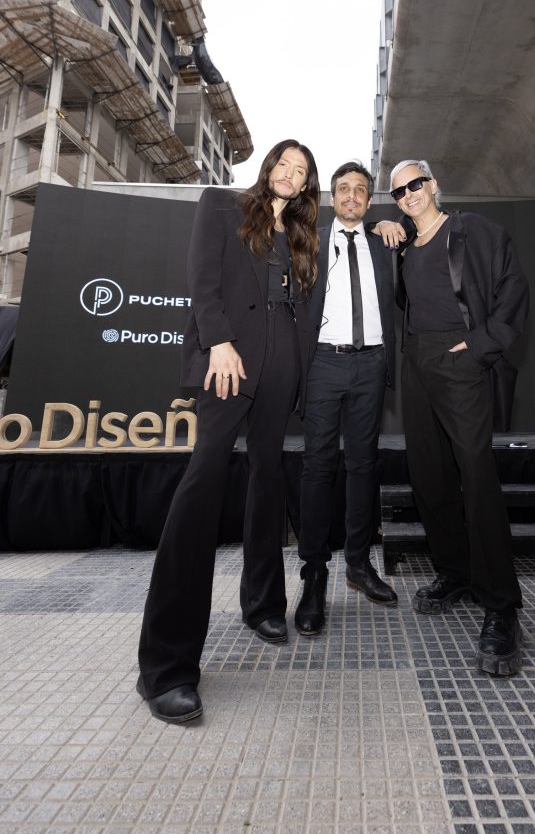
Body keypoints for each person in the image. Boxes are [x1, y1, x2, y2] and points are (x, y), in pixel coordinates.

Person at [137, 139, 320, 723]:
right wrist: (217, 342)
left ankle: (263, 604)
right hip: (228, 362)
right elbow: (203, 281)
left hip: (281, 368)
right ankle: (164, 667)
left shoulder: (300, 235)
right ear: (267, 165)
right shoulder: (220, 205)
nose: (290, 176)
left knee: (269, 481)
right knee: (202, 487)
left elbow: (301, 307)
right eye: (284, 165)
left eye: (301, 172)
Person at [378, 158, 529, 676]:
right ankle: (457, 573)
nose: (409, 195)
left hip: (461, 358)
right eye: (399, 192)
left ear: (434, 184)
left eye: (416, 185)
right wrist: (382, 225)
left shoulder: (475, 232)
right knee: (429, 475)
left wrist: (480, 345)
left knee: (476, 476)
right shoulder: (401, 245)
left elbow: (512, 290)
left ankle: (501, 606)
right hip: (416, 359)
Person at [294, 162, 397, 636]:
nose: (352, 196)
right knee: (318, 465)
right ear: (332, 197)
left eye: (361, 190)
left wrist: (398, 224)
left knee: (364, 465)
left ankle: (358, 564)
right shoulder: (308, 238)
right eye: (344, 189)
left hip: (372, 364)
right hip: (323, 364)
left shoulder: (385, 240)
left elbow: (428, 226)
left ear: (370, 200)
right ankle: (314, 573)